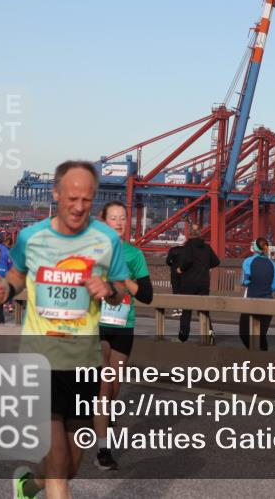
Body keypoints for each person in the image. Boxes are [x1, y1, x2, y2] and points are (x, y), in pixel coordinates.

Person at [0, 160, 128, 499]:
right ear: (56, 194)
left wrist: (108, 289)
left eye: (87, 200)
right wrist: (5, 290)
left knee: (71, 466)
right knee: (59, 463)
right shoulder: (31, 237)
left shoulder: (107, 239)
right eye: (72, 198)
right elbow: (17, 275)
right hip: (40, 360)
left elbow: (122, 289)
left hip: (83, 363)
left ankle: (28, 485)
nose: (79, 207)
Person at [94, 201, 154, 471]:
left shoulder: (134, 254)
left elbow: (147, 295)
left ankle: (102, 420)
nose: (119, 223)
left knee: (114, 387)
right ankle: (103, 450)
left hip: (123, 324)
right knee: (104, 385)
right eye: (113, 218)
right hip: (96, 324)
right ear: (104, 221)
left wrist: (125, 279)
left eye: (122, 218)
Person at [171, 223, 220, 342]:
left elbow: (187, 260)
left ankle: (182, 338)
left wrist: (181, 269)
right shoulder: (206, 247)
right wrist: (204, 267)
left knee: (186, 311)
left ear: (189, 233)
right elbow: (216, 262)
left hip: (189, 282)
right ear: (200, 233)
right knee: (204, 310)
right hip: (203, 282)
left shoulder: (188, 246)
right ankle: (210, 336)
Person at [239, 237, 275, 351]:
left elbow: (244, 281)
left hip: (250, 302)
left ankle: (255, 357)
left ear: (254, 248)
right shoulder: (273, 264)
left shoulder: (248, 262)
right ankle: (263, 358)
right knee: (261, 337)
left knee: (244, 334)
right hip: (268, 303)